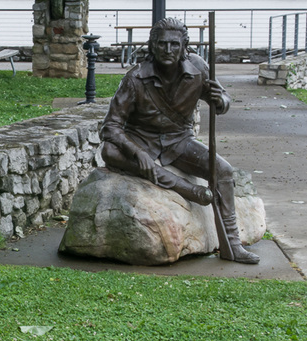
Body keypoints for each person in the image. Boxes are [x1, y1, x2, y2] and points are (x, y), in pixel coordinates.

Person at [100, 17, 259, 264]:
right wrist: (137, 152)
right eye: (162, 44)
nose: (168, 50)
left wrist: (221, 101)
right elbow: (110, 126)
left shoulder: (198, 69)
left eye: (175, 45)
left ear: (185, 47)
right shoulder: (135, 78)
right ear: (152, 46)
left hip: (179, 141)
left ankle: (232, 245)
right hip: (142, 139)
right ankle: (183, 187)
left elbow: (222, 100)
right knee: (110, 151)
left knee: (224, 172)